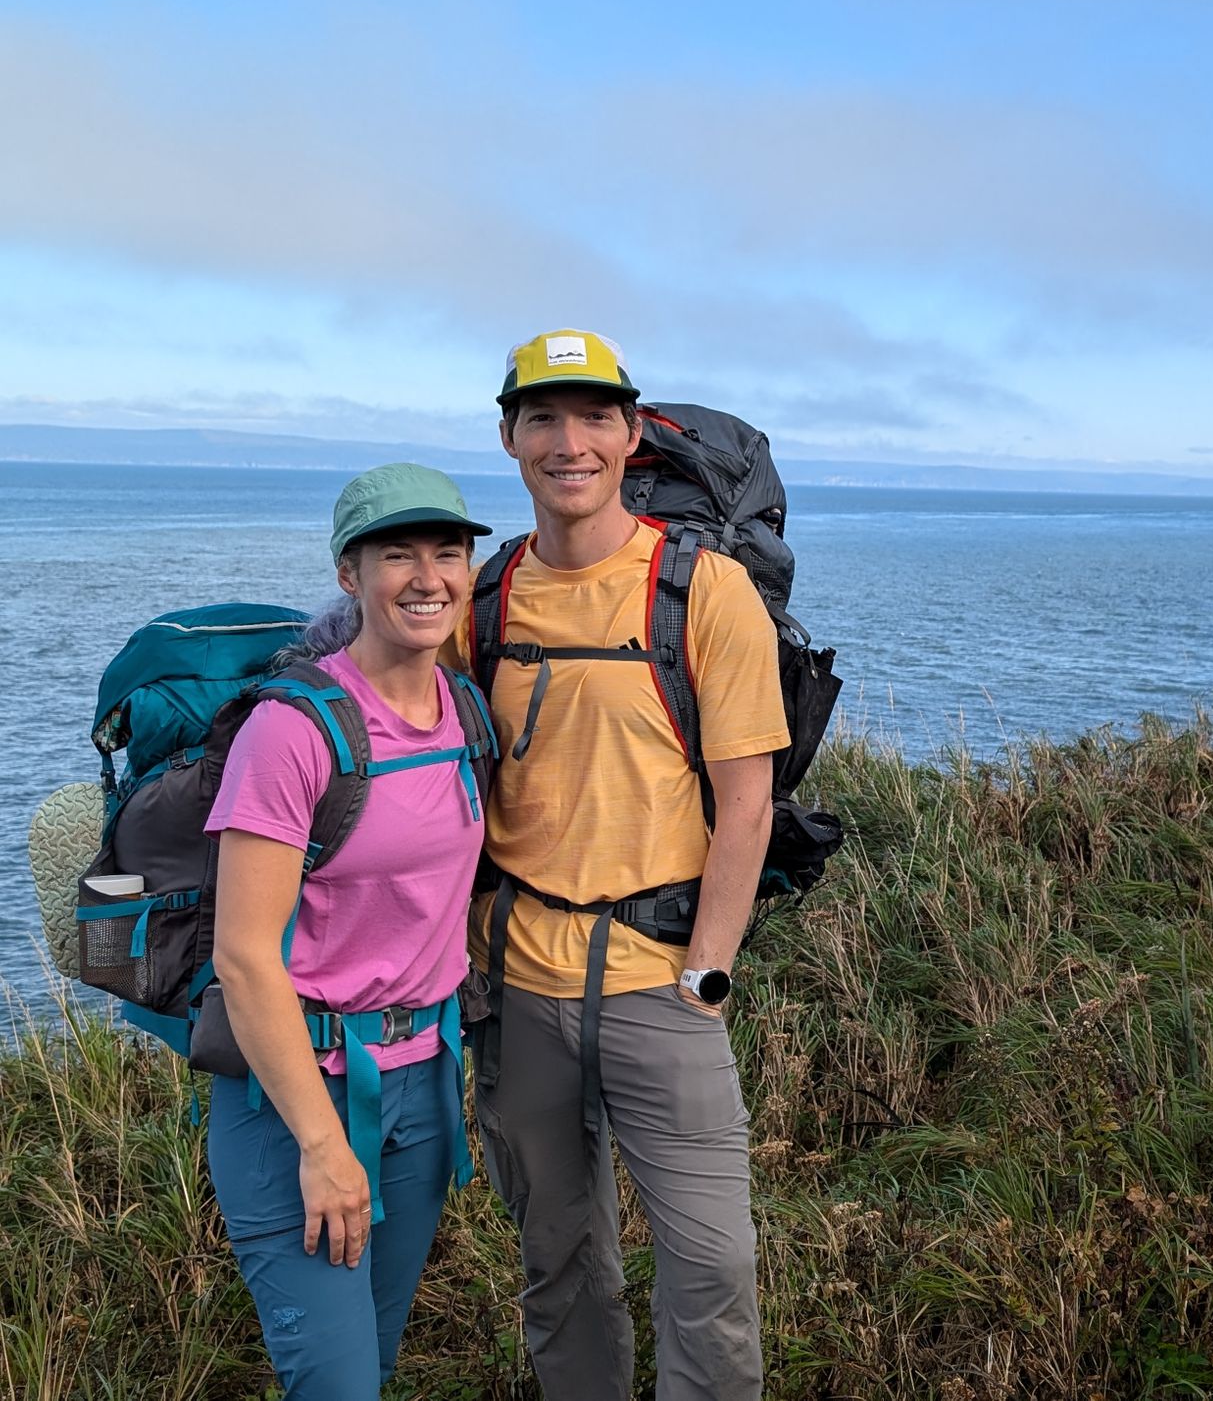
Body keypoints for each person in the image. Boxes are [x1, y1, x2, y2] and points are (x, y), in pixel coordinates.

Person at [457, 329, 786, 1400]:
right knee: (558, 1266)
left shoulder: (704, 591)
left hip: (661, 983)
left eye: (594, 417)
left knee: (712, 1267)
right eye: (543, 417)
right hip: (517, 987)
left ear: (631, 435)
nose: (570, 442)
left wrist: (710, 969)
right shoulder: (486, 596)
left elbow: (746, 804)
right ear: (509, 437)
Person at [204, 464, 494, 1399]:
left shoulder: (467, 711)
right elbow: (244, 960)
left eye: (447, 553)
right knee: (334, 1385)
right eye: (395, 554)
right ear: (348, 574)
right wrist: (324, 1149)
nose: (427, 577)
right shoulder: (293, 731)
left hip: (423, 1085)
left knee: (373, 1362)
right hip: (298, 1104)